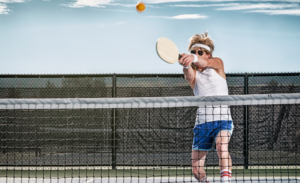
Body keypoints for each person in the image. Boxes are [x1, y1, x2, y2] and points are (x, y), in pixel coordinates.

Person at [179, 32, 234, 183]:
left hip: (222, 119)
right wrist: (186, 63)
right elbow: (189, 74)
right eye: (193, 52)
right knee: (197, 172)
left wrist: (194, 58)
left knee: (222, 147)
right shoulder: (194, 75)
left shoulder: (217, 64)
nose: (196, 54)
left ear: (208, 54)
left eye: (200, 52)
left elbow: (204, 63)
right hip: (202, 124)